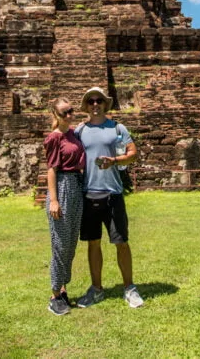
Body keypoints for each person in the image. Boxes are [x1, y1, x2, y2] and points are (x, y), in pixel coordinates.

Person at [74, 86, 144, 308]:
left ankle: (129, 288)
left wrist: (115, 161)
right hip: (89, 193)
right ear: (86, 106)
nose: (95, 105)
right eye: (91, 101)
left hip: (112, 192)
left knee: (121, 242)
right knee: (93, 243)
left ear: (105, 104)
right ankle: (96, 289)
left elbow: (132, 154)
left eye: (99, 101)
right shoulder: (79, 130)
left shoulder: (117, 128)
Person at [44, 98, 85, 316]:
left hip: (76, 186)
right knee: (60, 243)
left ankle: (63, 288)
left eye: (71, 110)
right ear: (57, 116)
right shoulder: (54, 138)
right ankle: (54, 295)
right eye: (65, 112)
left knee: (70, 242)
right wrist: (54, 200)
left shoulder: (73, 134)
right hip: (61, 187)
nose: (70, 115)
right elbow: (51, 169)